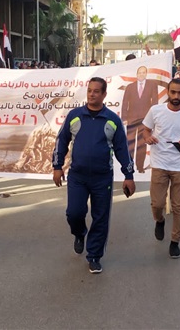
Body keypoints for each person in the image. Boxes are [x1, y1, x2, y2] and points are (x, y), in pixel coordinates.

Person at [53, 77, 135, 274]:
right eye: (90, 90)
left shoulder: (112, 120)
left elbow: (122, 150)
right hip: (77, 176)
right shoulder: (75, 116)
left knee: (100, 217)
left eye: (96, 91)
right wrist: (57, 166)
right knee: (74, 213)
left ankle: (94, 256)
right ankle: (79, 233)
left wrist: (129, 175)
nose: (92, 94)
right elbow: (61, 141)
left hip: (102, 178)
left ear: (104, 94)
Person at [141, 78, 180, 258]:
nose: (176, 96)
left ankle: (175, 241)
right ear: (167, 92)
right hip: (159, 162)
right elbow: (145, 129)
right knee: (157, 204)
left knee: (178, 206)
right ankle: (159, 220)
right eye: (173, 92)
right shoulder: (156, 110)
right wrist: (147, 138)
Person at [121, 66, 159, 173]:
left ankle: (140, 167)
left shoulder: (152, 85)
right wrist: (124, 118)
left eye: (143, 72)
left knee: (141, 144)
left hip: (145, 119)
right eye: (139, 73)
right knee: (130, 144)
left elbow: (155, 102)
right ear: (136, 74)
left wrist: (153, 118)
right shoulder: (130, 87)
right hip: (131, 119)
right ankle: (129, 165)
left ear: (146, 74)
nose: (141, 74)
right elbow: (125, 103)